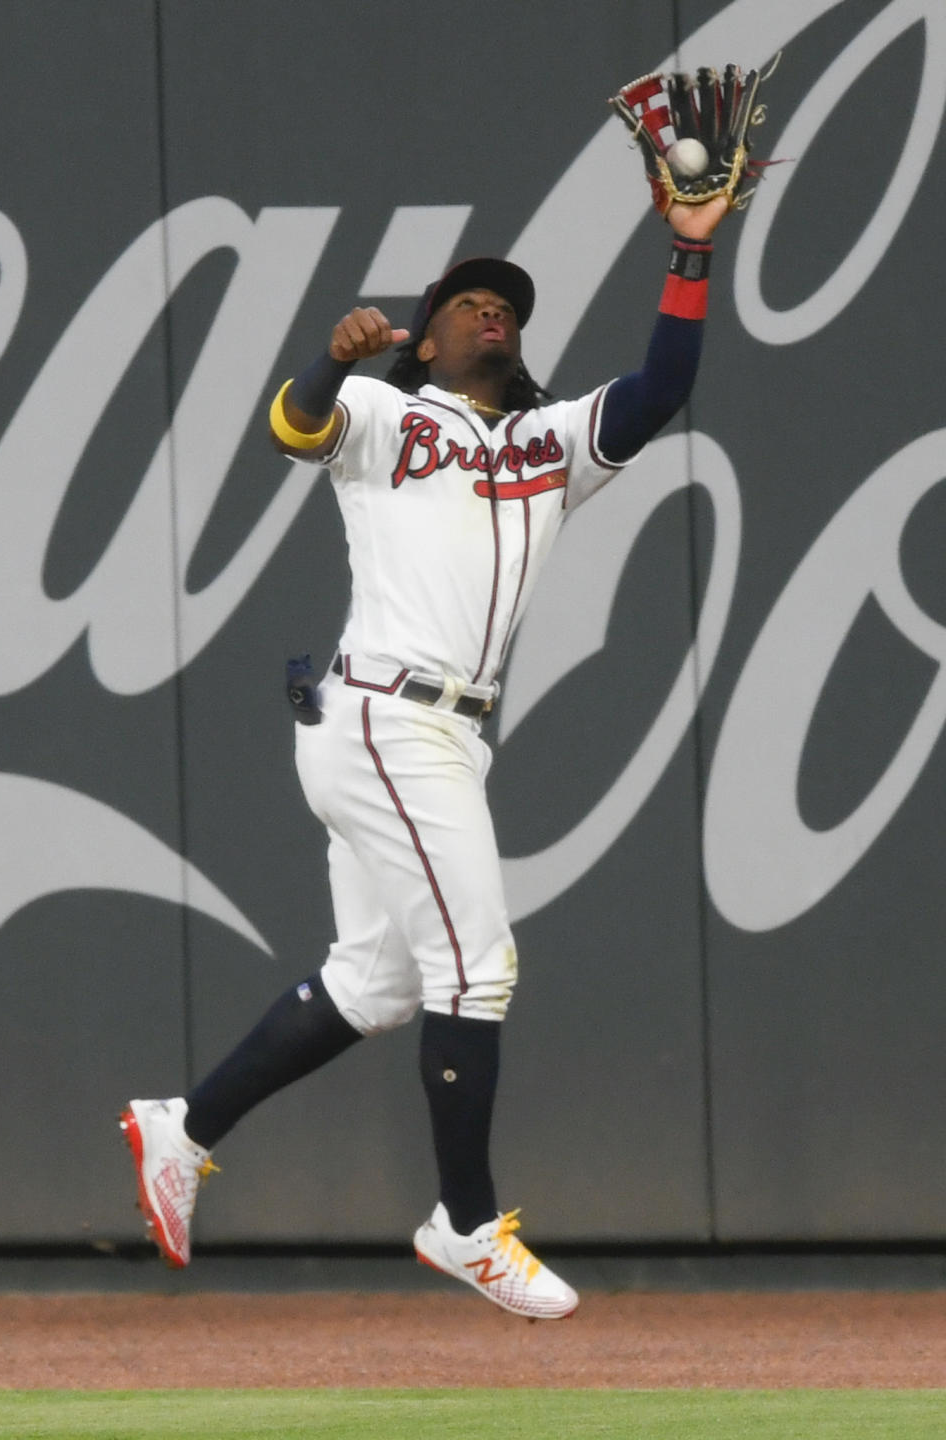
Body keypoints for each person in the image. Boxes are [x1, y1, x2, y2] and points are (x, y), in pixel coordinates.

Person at [120, 189, 729, 1320]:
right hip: (388, 719)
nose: (490, 312)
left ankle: (182, 1125)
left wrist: (689, 250)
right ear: (428, 334)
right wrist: (327, 356)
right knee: (477, 969)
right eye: (466, 302)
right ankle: (462, 1222)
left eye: (505, 306)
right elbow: (295, 428)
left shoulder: (551, 444)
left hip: (435, 732)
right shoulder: (386, 417)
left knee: (379, 982)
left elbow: (662, 390)